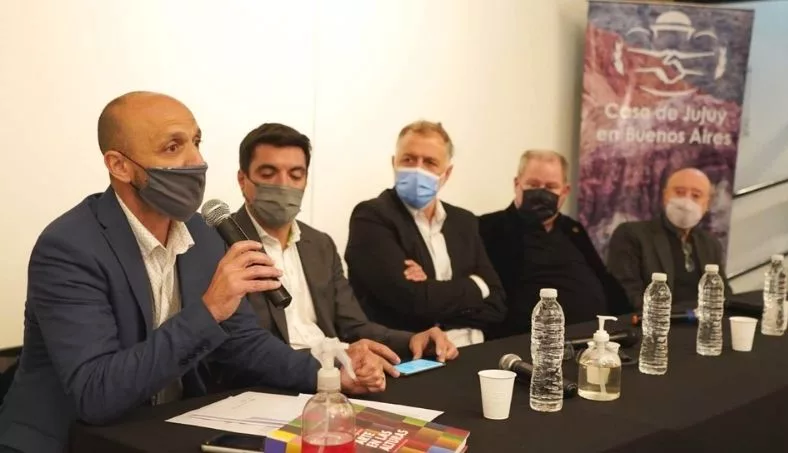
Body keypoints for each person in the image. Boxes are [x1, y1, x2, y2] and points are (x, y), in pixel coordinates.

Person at [0, 92, 382, 453]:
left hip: (161, 429)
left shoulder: (201, 232)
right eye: (173, 147)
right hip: (73, 440)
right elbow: (96, 393)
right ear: (120, 165)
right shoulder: (70, 246)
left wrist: (331, 374)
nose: (196, 160)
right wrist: (210, 309)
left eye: (196, 142)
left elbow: (244, 343)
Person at [232, 123, 459, 374]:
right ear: (243, 180)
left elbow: (354, 326)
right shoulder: (221, 241)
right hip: (276, 379)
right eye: (268, 174)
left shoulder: (320, 245)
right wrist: (332, 362)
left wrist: (412, 339)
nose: (283, 185)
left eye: (295, 175)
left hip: (335, 374)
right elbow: (241, 346)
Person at [344, 121, 506, 347]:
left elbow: (497, 303)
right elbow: (413, 301)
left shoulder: (464, 221)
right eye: (408, 159)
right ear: (394, 163)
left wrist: (430, 290)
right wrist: (476, 286)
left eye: (430, 162)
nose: (418, 169)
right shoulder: (372, 217)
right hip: (410, 354)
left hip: (473, 347)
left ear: (447, 173)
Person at [479, 150, 630, 336]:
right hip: (527, 340)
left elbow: (603, 278)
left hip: (597, 338)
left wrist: (630, 318)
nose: (542, 192)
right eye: (533, 185)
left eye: (551, 187)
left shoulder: (573, 229)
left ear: (565, 191)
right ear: (517, 184)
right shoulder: (487, 228)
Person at [607, 167, 732, 309]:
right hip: (656, 319)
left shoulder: (710, 244)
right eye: (679, 192)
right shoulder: (632, 235)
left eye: (696, 195)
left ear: (707, 205)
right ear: (665, 196)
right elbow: (625, 294)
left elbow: (724, 294)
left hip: (703, 320)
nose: (686, 202)